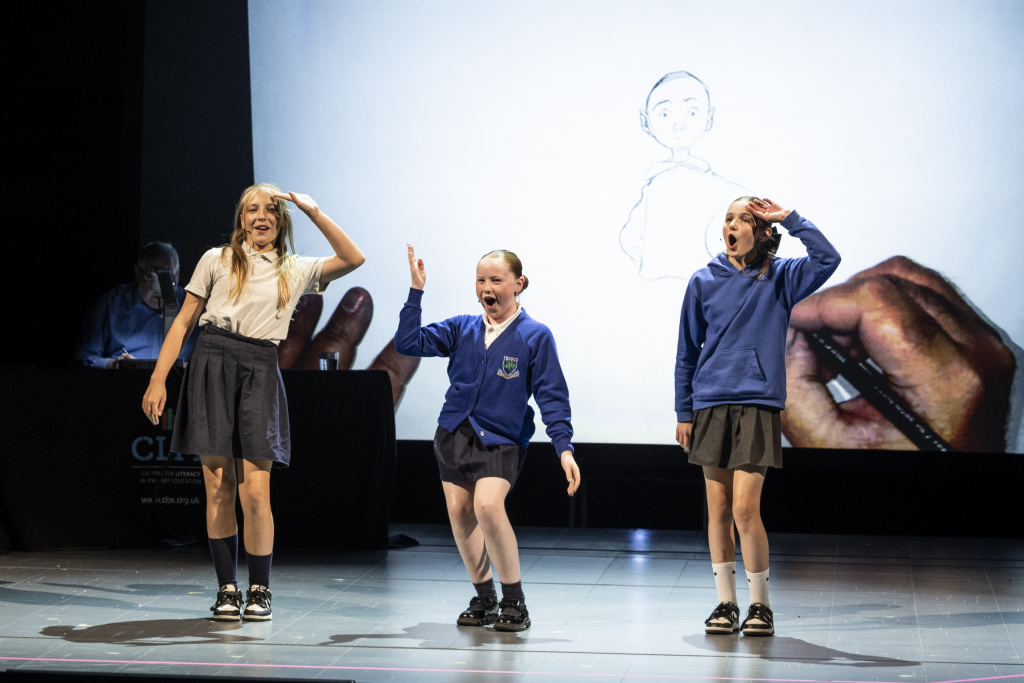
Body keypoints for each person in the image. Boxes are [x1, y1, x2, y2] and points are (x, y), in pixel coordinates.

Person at [141, 183, 365, 622]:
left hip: (261, 366)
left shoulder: (293, 268)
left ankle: (259, 589)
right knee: (218, 484)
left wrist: (313, 211)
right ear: (240, 219)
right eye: (252, 210)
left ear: (281, 221)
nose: (261, 216)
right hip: (212, 360)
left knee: (256, 492)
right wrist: (157, 379)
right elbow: (184, 321)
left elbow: (354, 258)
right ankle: (227, 588)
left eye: (270, 211)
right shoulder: (216, 259)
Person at [675, 197, 840, 636]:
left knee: (747, 508)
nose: (731, 225)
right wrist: (683, 410)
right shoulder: (702, 280)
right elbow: (687, 353)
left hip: (758, 404)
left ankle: (760, 606)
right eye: (727, 218)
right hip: (710, 404)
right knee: (718, 508)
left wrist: (790, 218)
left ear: (763, 233)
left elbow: (828, 258)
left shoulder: (782, 277)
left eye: (743, 219)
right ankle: (725, 603)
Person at [395, 245, 581, 631]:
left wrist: (564, 447)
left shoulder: (534, 335)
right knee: (461, 514)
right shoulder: (462, 327)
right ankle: (485, 598)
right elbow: (407, 343)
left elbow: (552, 395)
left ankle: (515, 601)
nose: (486, 287)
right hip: (453, 434)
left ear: (518, 284)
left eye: (496, 280)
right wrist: (416, 292)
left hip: (502, 439)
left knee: (488, 507)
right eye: (481, 280)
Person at [620, 71, 746, 281]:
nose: (679, 124)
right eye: (665, 114)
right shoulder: (655, 185)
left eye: (692, 112)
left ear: (709, 117)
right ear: (646, 121)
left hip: (685, 282)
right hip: (679, 282)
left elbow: (629, 237)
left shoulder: (712, 185)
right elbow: (630, 235)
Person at [75, 242, 198, 368]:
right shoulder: (109, 305)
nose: (159, 289)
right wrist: (114, 365)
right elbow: (84, 356)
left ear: (177, 275)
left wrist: (191, 369)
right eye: (151, 278)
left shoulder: (194, 307)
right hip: (123, 383)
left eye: (167, 278)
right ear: (138, 273)